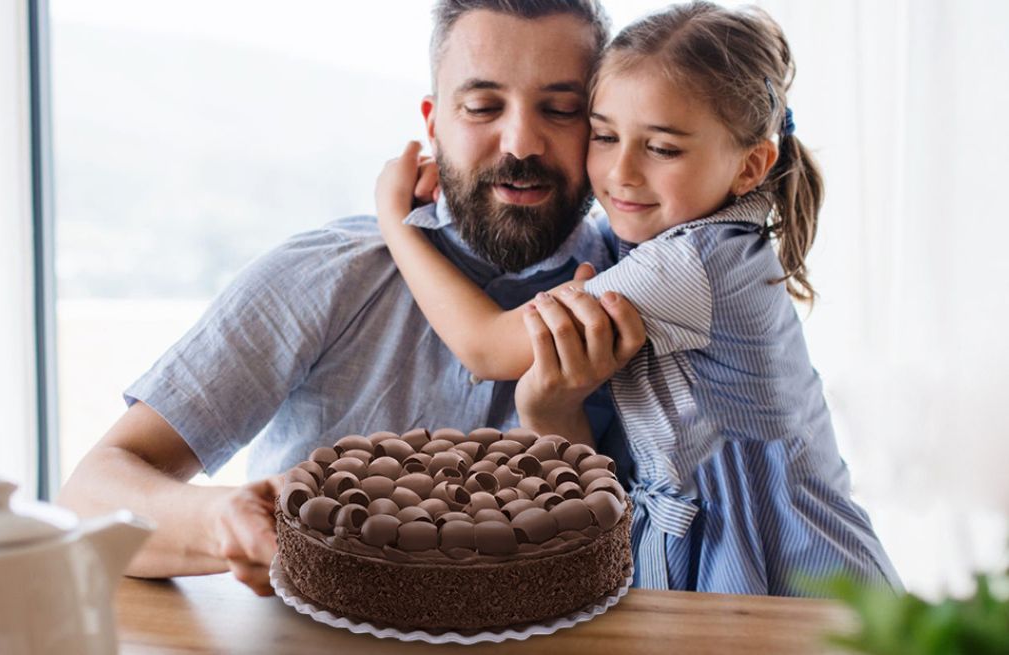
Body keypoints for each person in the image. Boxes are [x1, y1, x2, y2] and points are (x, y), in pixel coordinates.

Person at [59, 0, 648, 597]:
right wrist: (220, 521)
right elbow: (89, 496)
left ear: (602, 127)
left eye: (561, 109)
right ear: (434, 124)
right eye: (481, 107)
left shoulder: (649, 297)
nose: (521, 142)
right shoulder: (326, 274)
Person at [374, 1, 901, 595]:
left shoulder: (691, 262)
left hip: (779, 563)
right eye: (603, 136)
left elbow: (487, 349)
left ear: (751, 165)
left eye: (664, 149)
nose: (620, 173)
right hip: (708, 539)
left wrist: (397, 225)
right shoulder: (692, 234)